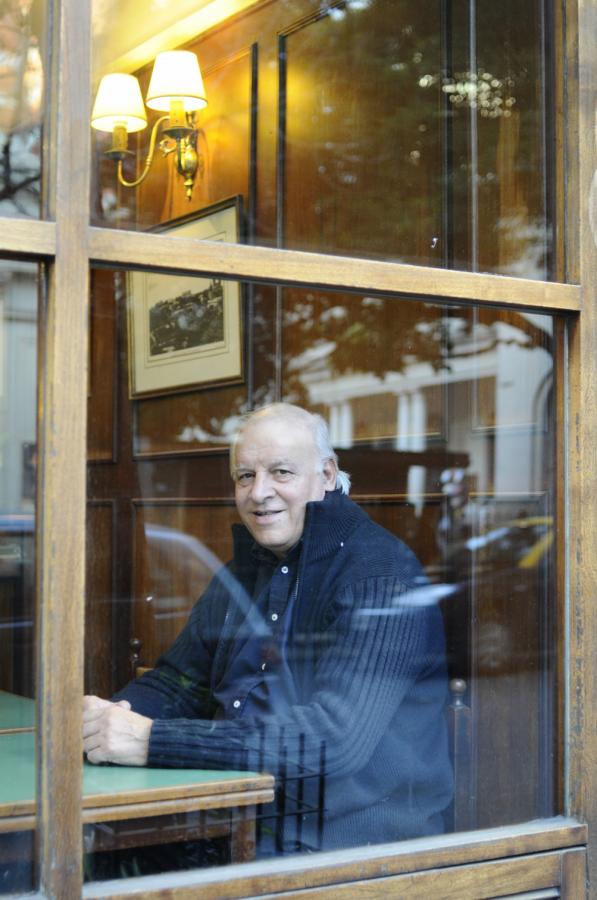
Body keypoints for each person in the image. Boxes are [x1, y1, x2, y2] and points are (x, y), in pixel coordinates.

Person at [83, 403, 453, 853]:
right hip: (236, 825)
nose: (259, 493)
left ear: (328, 475)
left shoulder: (379, 575)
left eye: (280, 472)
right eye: (245, 476)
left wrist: (150, 741)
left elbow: (334, 742)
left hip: (348, 847)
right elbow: (179, 681)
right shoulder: (245, 571)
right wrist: (110, 717)